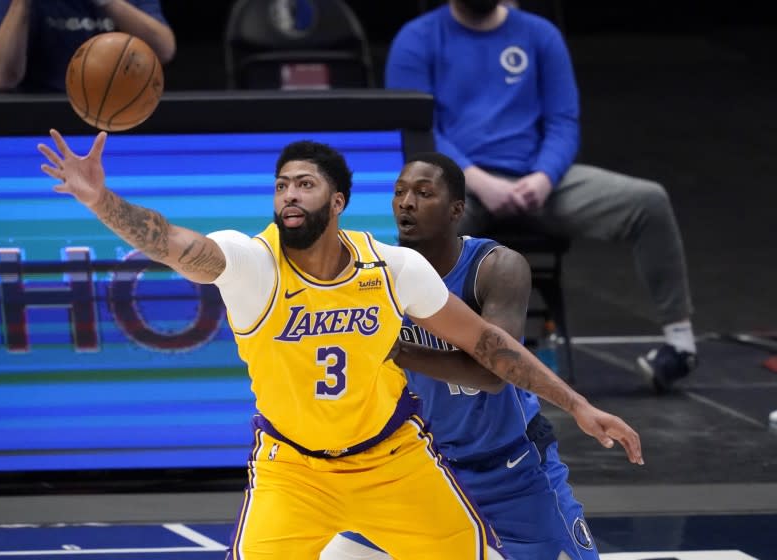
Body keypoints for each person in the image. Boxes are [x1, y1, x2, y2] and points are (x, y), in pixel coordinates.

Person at [37, 130, 642, 558]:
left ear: (338, 201)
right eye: (281, 186)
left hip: (396, 461)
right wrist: (99, 199)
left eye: (304, 184)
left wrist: (578, 405)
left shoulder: (391, 267)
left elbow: (487, 345)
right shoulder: (253, 263)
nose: (289, 195)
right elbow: (169, 240)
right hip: (293, 471)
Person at [384, 0, 698, 393]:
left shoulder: (539, 35)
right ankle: (419, 349)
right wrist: (477, 180)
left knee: (648, 201)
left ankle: (680, 344)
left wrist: (543, 177)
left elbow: (563, 120)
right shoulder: (416, 40)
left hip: (539, 181)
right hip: (462, 183)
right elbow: (418, 129)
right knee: (419, 223)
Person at [322, 153, 602, 559]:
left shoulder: (496, 268)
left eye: (423, 192)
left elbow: (492, 374)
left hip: (510, 471)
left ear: (456, 210)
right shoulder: (373, 273)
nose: (406, 203)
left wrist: (396, 351)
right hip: (421, 468)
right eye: (399, 192)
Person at [0, 0, 175, 92]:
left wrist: (109, 3)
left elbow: (163, 50)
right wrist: (21, 5)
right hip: (42, 116)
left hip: (116, 112)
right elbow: (2, 77)